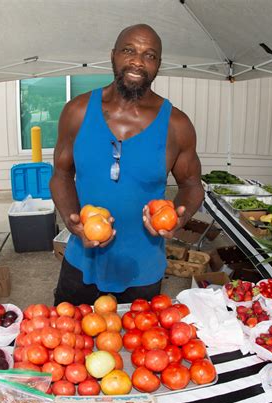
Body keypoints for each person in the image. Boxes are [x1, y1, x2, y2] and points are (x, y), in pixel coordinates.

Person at [50, 24, 204, 305]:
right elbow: (61, 175)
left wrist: (178, 220)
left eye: (149, 55)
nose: (137, 61)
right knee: (69, 344)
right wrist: (74, 224)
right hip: (81, 262)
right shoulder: (77, 112)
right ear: (113, 55)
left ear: (158, 64)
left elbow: (192, 186)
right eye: (129, 50)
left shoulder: (177, 125)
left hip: (142, 269)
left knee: (139, 347)